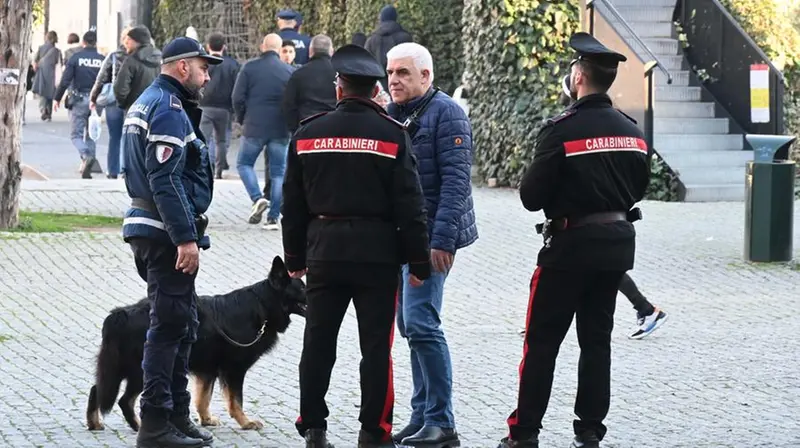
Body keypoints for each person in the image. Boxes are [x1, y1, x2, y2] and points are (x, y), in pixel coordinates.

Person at [498, 33, 651, 448]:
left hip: (567, 249)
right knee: (596, 343)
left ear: (578, 77)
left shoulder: (560, 130)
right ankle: (589, 432)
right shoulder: (632, 131)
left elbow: (531, 197)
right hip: (616, 249)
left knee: (542, 343)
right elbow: (639, 188)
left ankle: (524, 433)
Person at [282, 44, 431, 448]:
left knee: (318, 342)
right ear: (374, 91)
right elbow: (410, 205)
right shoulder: (392, 134)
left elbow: (292, 205)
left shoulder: (308, 133)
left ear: (339, 88)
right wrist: (419, 262)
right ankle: (374, 431)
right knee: (375, 350)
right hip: (377, 256)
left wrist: (294, 258)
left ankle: (313, 426)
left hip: (323, 252)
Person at [121, 36, 221, 448]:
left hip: (154, 228)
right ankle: (157, 422)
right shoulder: (168, 108)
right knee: (168, 326)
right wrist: (185, 238)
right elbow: (165, 178)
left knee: (183, 323)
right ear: (183, 67)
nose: (207, 74)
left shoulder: (152, 101)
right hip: (164, 233)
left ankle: (177, 414)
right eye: (203, 67)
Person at [385, 42, 478, 448]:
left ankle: (442, 421)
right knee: (411, 326)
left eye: (403, 73)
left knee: (423, 324)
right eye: (390, 72)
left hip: (432, 240)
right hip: (403, 239)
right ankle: (422, 414)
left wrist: (441, 242)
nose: (393, 80)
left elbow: (457, 184)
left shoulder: (448, 114)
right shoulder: (393, 114)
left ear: (427, 76)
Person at [232, 33, 294, 230]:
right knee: (278, 173)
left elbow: (237, 97)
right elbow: (293, 102)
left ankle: (257, 198)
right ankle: (273, 218)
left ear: (262, 47)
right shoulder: (289, 71)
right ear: (279, 49)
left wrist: (242, 118)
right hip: (280, 128)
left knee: (243, 163)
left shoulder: (249, 68)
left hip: (254, 126)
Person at [53, 30, 105, 179]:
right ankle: (90, 165)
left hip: (79, 99)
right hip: (96, 101)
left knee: (76, 134)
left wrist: (57, 98)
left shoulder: (76, 58)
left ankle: (86, 155)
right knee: (91, 133)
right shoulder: (102, 59)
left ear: (83, 43)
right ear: (96, 43)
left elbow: (65, 80)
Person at [90, 26, 132, 179]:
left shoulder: (114, 55)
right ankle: (125, 170)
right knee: (129, 137)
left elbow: (101, 78)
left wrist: (93, 98)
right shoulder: (140, 57)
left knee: (115, 137)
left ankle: (112, 171)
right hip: (132, 102)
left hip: (114, 101)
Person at [199, 31, 240, 179]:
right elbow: (237, 87)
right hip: (224, 108)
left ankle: (205, 167)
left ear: (208, 46)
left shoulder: (203, 63)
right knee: (221, 140)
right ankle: (218, 171)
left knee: (204, 138)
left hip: (204, 106)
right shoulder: (232, 64)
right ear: (224, 46)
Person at [281, 34, 336, 134]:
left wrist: (295, 129)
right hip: (334, 130)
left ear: (310, 52)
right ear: (331, 51)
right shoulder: (340, 74)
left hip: (307, 130)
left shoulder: (298, 74)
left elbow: (288, 105)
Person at [114, 25, 162, 112]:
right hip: (156, 107)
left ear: (136, 41)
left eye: (129, 39)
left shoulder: (131, 60)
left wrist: (125, 104)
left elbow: (120, 88)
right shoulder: (161, 58)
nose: (126, 42)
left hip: (135, 109)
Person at [365, 5, 413, 90]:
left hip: (378, 87)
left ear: (381, 18)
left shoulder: (371, 40)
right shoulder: (405, 37)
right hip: (402, 86)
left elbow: (366, 65)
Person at [32, 30, 62, 121]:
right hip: (52, 74)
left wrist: (35, 69)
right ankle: (49, 112)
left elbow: (34, 61)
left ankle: (43, 110)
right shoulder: (57, 51)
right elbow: (60, 63)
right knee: (50, 93)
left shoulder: (40, 48)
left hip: (42, 72)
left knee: (42, 93)